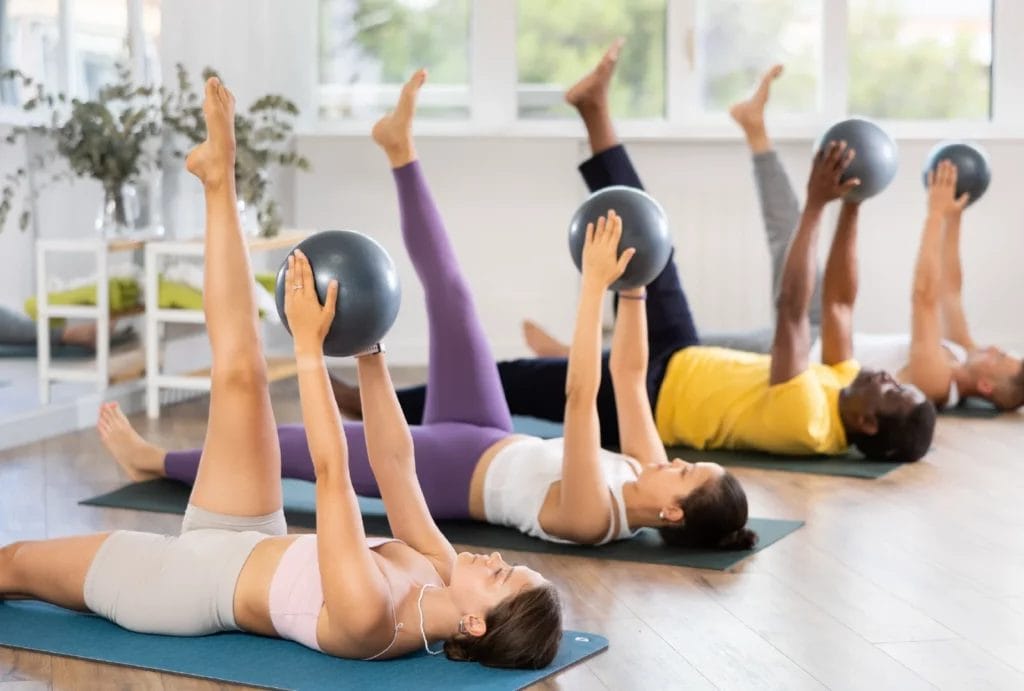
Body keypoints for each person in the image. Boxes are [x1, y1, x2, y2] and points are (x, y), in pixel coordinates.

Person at [2, 76, 562, 669]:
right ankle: (219, 177)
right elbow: (397, 466)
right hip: (251, 532)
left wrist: (308, 351)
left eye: (503, 577)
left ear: (474, 624)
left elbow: (331, 475)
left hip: (183, 585)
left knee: (13, 564)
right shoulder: (437, 568)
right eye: (509, 564)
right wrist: (370, 352)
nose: (494, 562)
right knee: (241, 373)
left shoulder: (371, 619)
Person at [98, 71, 756, 552]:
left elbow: (583, 396)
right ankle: (399, 150)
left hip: (448, 472)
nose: (676, 461)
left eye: (688, 473)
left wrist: (593, 286)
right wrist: (636, 285)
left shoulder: (593, 517)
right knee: (454, 296)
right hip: (491, 431)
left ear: (670, 513)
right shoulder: (645, 470)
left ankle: (153, 461)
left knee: (288, 447)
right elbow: (629, 379)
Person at [366, 42, 936, 462]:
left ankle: (370, 406)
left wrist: (816, 205)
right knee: (652, 236)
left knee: (514, 380)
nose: (886, 375)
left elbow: (793, 309)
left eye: (891, 391)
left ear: (864, 423)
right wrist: (854, 207)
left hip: (645, 395)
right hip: (679, 352)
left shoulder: (809, 421)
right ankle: (595, 111)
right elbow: (837, 306)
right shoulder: (844, 384)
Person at [527, 63, 1024, 412]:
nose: (999, 348)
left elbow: (924, 297)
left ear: (986, 382)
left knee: (678, 350)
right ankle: (755, 129)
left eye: (1004, 358)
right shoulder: (962, 350)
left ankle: (573, 356)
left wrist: (933, 216)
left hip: (796, 360)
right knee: (788, 231)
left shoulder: (937, 381)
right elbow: (951, 290)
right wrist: (954, 216)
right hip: (822, 328)